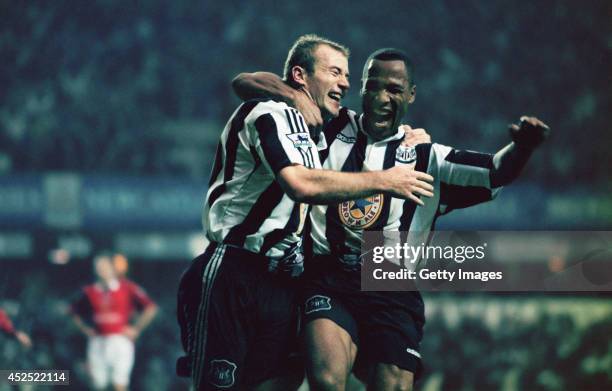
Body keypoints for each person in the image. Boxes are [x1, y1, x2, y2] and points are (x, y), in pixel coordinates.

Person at [233, 48, 550, 390]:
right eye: (373, 86)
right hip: (328, 275)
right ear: (363, 89)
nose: (382, 98)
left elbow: (495, 171)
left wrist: (523, 147)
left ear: (411, 94)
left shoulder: (429, 157)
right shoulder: (330, 126)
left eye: (395, 90)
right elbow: (246, 82)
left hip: (390, 281)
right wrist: (295, 96)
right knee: (326, 380)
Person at [176, 35, 434, 391]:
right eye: (335, 72)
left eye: (346, 74)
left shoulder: (320, 133)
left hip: (284, 281)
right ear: (300, 75)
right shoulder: (268, 112)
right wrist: (384, 180)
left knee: (283, 380)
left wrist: (401, 138)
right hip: (235, 269)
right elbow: (300, 182)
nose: (345, 82)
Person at [70, 251, 158, 391]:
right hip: (98, 342)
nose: (101, 270)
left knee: (120, 383)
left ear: (112, 267)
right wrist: (84, 329)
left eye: (104, 266)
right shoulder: (89, 291)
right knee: (98, 385)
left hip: (120, 341)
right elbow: (72, 311)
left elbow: (151, 307)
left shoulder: (127, 288)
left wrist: (136, 328)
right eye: (98, 267)